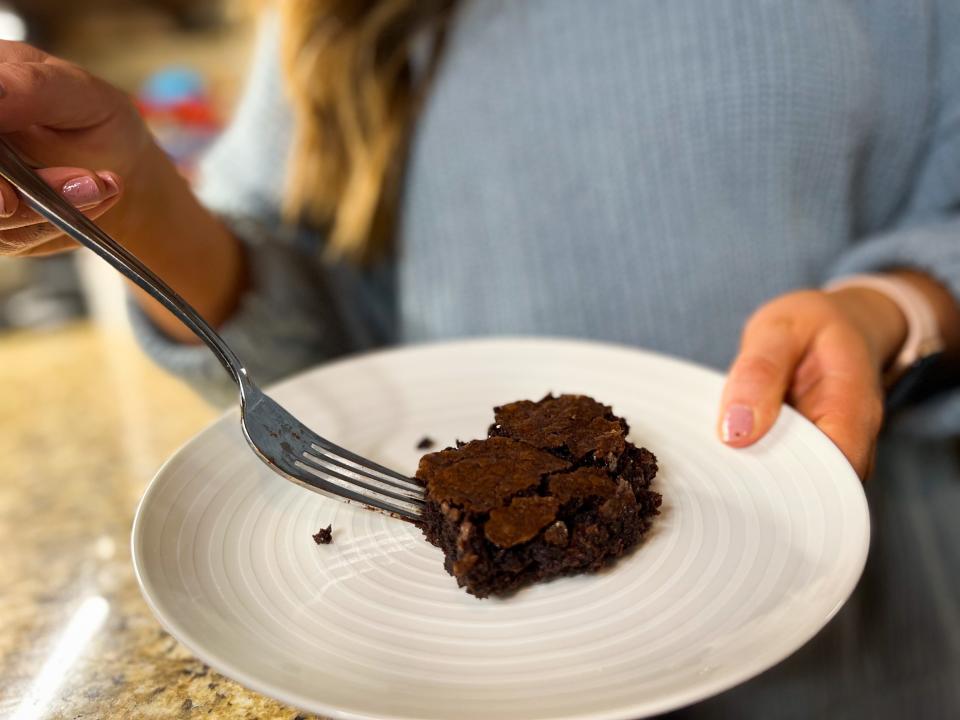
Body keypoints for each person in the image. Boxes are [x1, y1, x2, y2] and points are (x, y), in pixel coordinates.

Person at [0, 1, 957, 716]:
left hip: (849, 645)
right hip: (451, 674)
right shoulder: (334, 19)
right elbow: (313, 332)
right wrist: (139, 200)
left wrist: (899, 304)